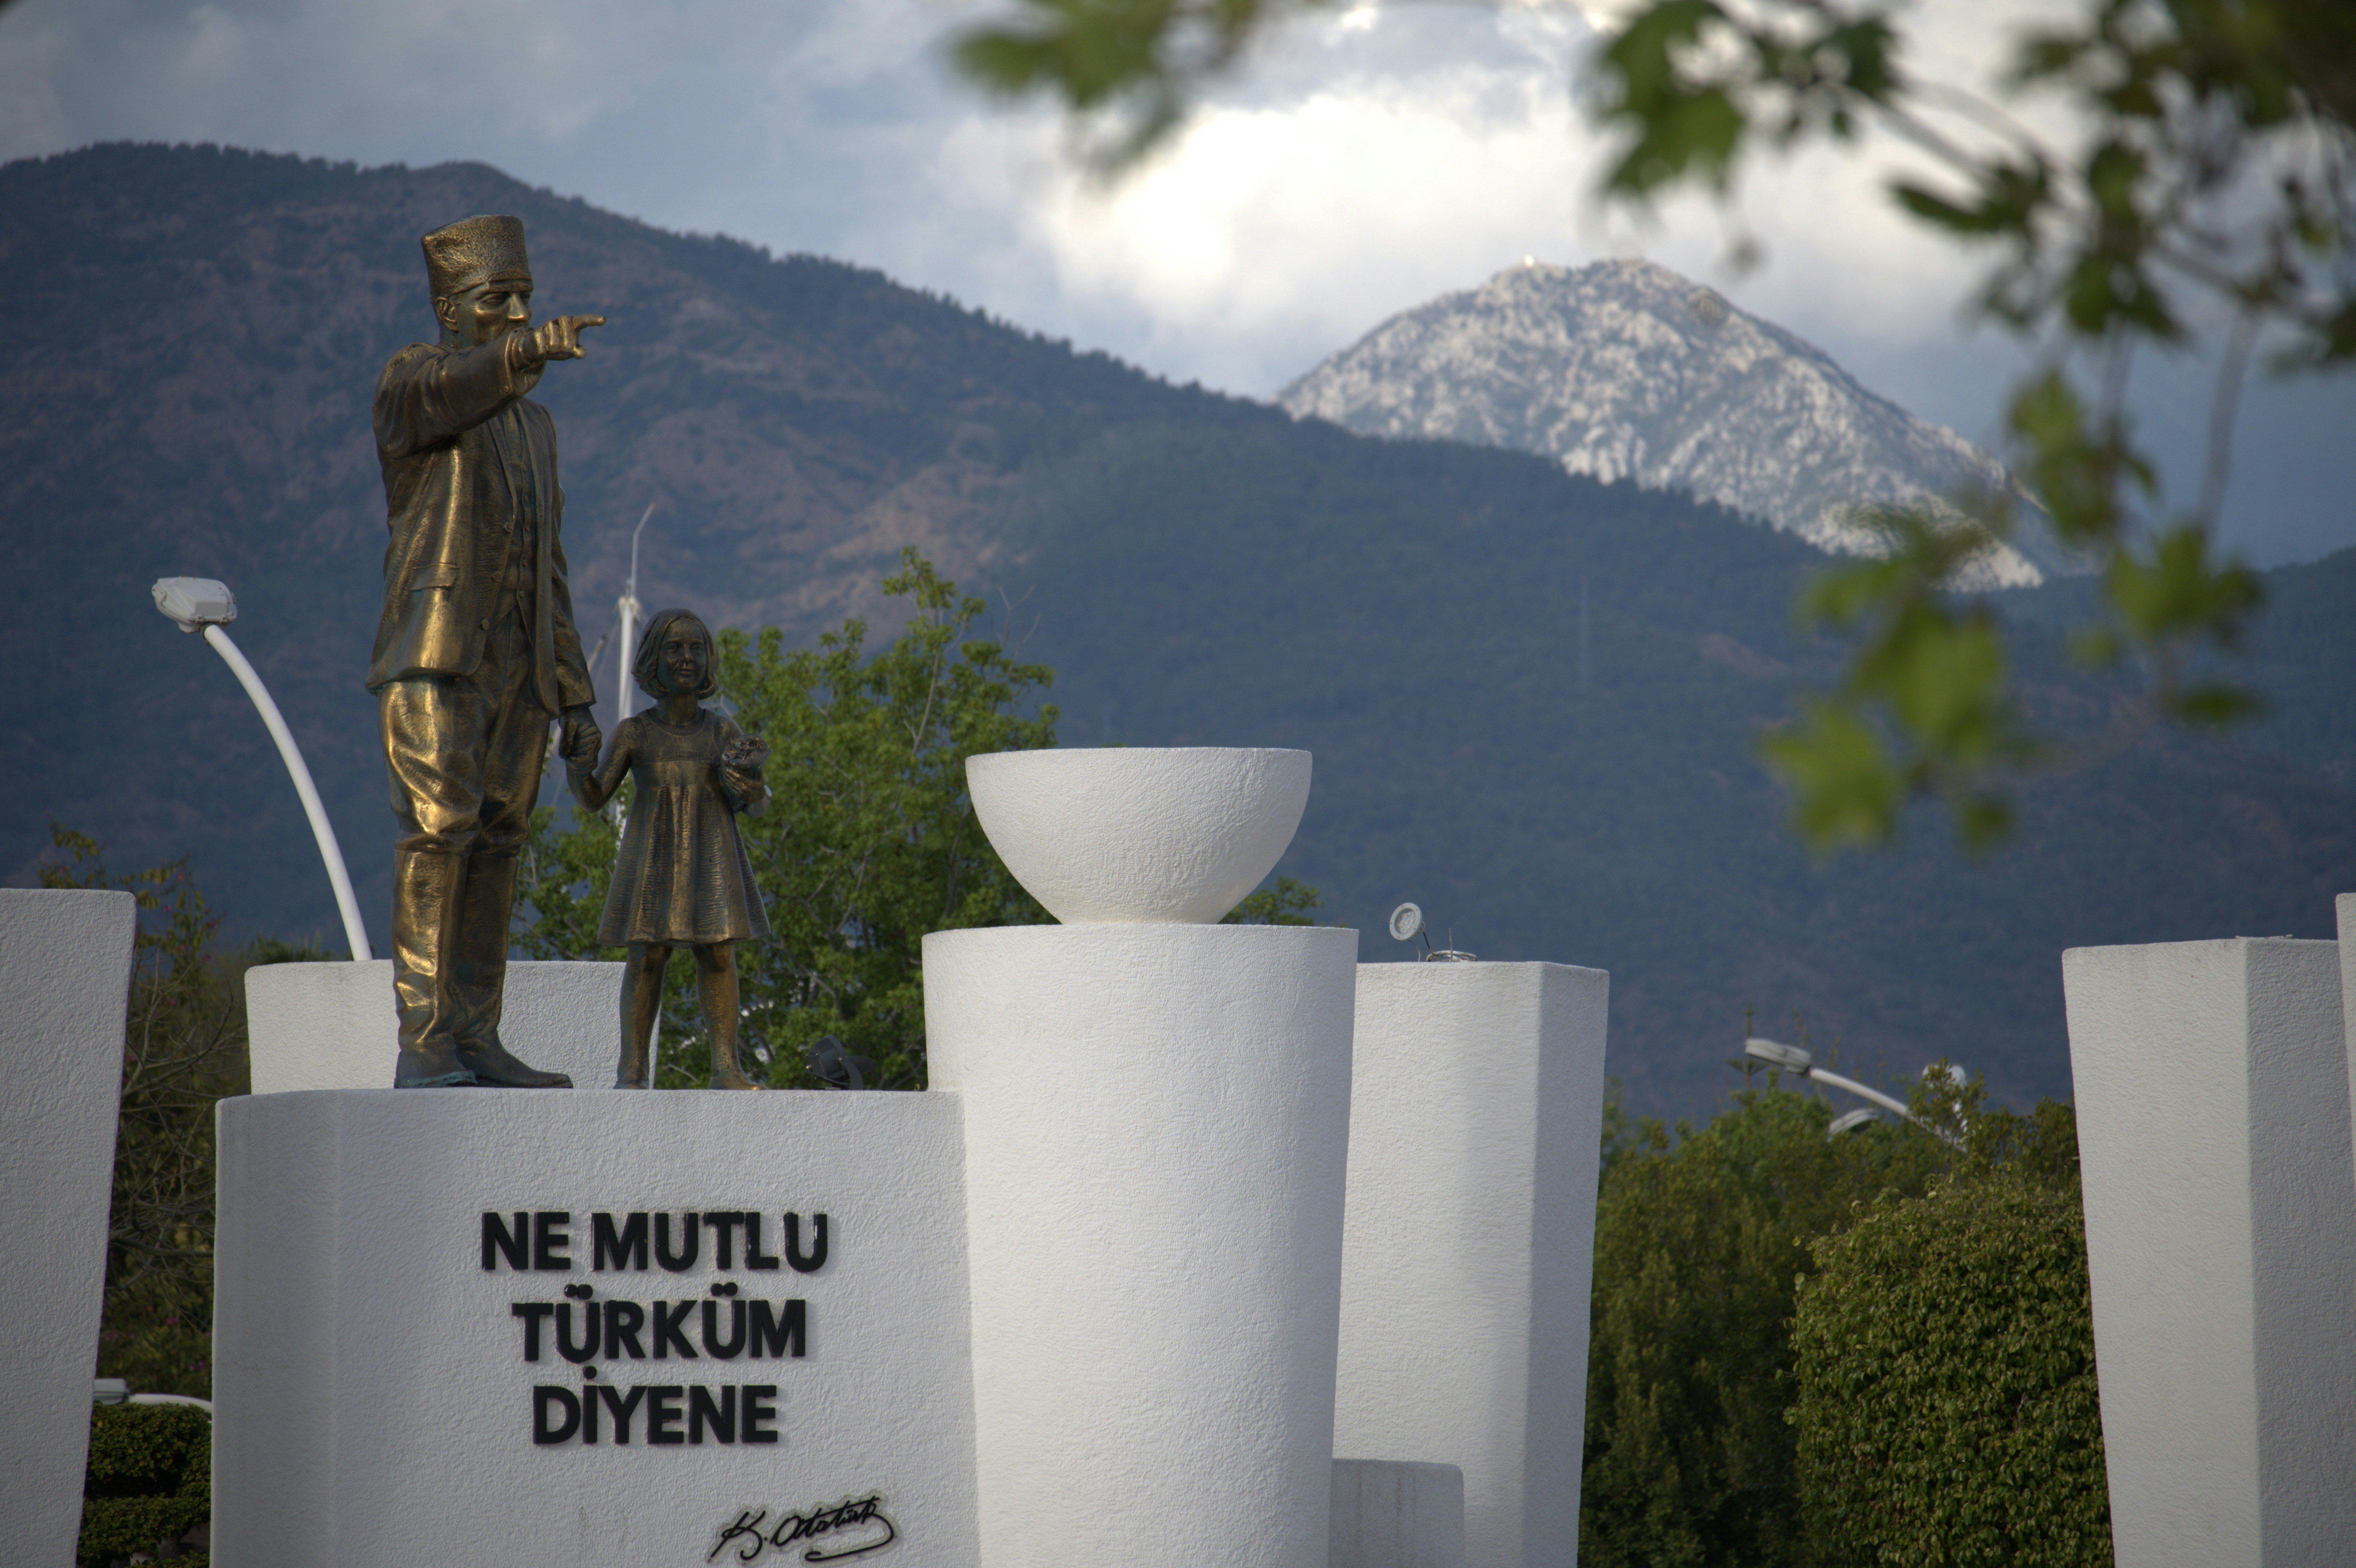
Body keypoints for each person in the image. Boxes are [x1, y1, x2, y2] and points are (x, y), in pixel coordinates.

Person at [370, 213, 606, 1088]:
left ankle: (476, 1033)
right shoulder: (413, 384)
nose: (512, 314)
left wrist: (574, 694)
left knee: (500, 839)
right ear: (447, 308)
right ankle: (424, 1038)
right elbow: (445, 395)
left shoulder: (536, 429)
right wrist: (517, 356)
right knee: (440, 831)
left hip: (520, 666)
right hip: (436, 656)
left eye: (523, 300)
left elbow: (553, 570)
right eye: (493, 299)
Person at [568, 608, 772, 1091]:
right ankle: (632, 1069)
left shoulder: (722, 730)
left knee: (718, 954)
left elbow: (758, 805)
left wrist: (752, 787)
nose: (687, 658)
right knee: (650, 955)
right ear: (652, 660)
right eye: (674, 648)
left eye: (696, 648)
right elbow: (595, 797)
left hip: (711, 853)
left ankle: (727, 1068)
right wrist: (578, 764)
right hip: (654, 855)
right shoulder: (635, 732)